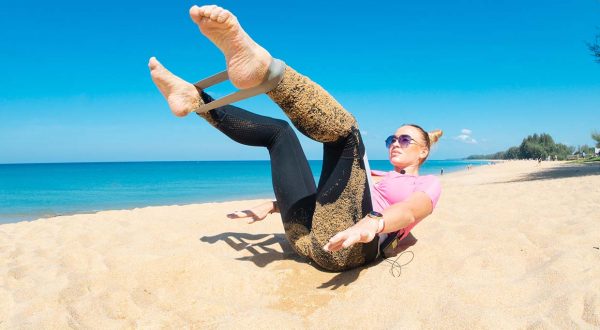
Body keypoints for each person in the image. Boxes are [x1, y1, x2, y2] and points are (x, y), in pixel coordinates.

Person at [149, 5, 442, 271]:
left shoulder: (427, 183)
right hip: (307, 237)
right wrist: (275, 204)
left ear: (423, 152)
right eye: (393, 137)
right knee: (280, 134)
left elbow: (410, 210)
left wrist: (373, 224)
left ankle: (268, 73)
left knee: (348, 136)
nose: (394, 143)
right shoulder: (377, 178)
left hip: (347, 246)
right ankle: (194, 100)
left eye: (405, 140)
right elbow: (333, 196)